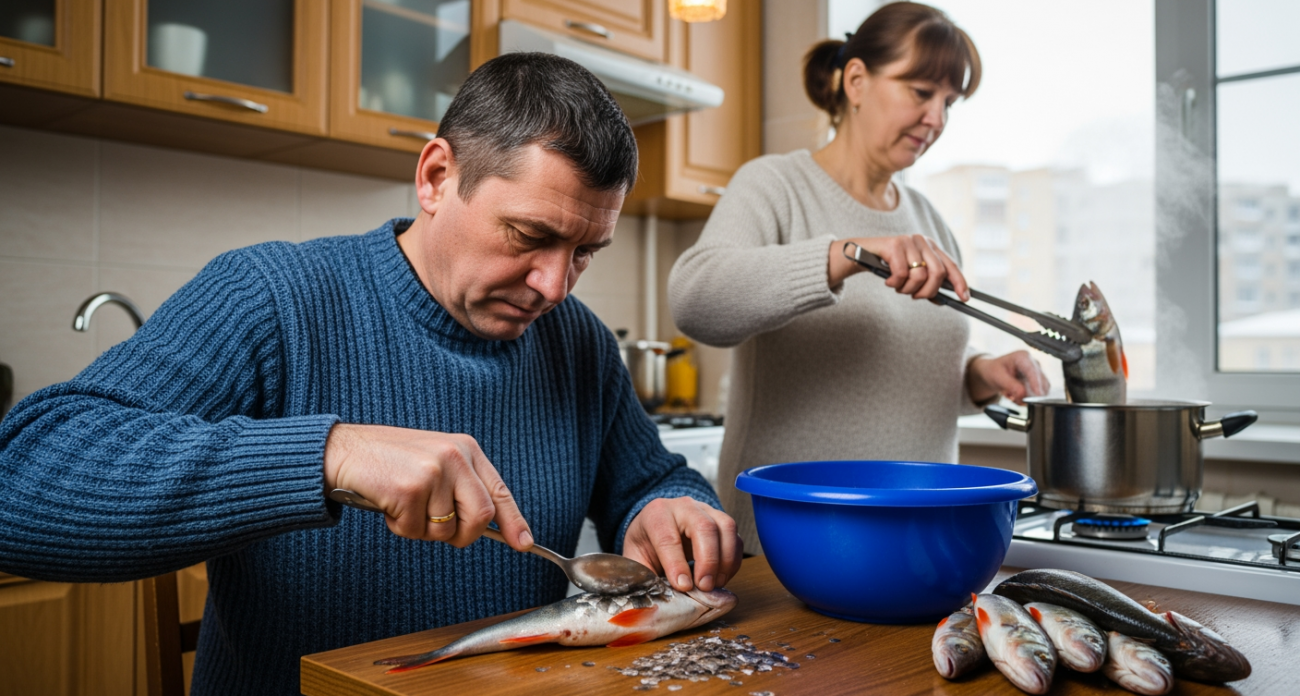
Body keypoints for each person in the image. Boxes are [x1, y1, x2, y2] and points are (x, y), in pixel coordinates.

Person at [0, 53, 741, 695]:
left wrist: (666, 505)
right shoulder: (270, 297)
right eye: (530, 236)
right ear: (436, 176)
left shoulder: (573, 340)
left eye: (586, 252)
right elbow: (21, 479)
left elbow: (648, 478)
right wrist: (330, 455)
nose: (556, 285)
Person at [667, 2, 1049, 555]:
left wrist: (981, 375)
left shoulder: (928, 218)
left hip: (918, 539)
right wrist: (847, 253)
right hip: (790, 543)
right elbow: (696, 300)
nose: (937, 119)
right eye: (921, 92)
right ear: (856, 81)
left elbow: (906, 367)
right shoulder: (775, 185)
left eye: (949, 103)